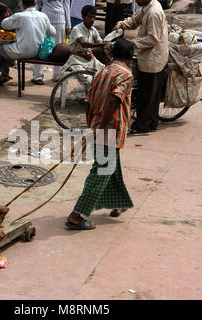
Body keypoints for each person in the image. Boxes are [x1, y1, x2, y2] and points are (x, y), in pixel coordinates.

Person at [65, 39, 135, 230]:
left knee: (111, 167)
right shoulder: (126, 75)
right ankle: (77, 215)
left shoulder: (102, 71)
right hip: (110, 130)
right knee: (102, 171)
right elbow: (115, 99)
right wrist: (102, 126)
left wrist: (92, 124)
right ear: (129, 57)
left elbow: (88, 98)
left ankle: (118, 203)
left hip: (98, 126)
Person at [113, 0, 168, 134]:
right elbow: (135, 19)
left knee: (147, 96)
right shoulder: (146, 6)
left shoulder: (153, 12)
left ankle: (142, 126)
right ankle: (152, 123)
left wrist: (132, 43)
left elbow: (153, 38)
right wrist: (121, 25)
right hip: (152, 55)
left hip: (153, 59)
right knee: (152, 95)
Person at [0, 0, 56, 88]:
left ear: (23, 4)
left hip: (22, 52)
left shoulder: (20, 16)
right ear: (35, 4)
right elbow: (53, 32)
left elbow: (4, 24)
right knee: (4, 49)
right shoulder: (43, 16)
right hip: (38, 52)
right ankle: (4, 74)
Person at [60, 5, 106, 84]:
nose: (92, 20)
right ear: (83, 17)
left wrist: (106, 46)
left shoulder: (93, 30)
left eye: (94, 17)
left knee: (105, 74)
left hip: (90, 59)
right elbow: (84, 44)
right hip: (76, 61)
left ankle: (93, 95)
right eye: (90, 17)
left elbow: (100, 42)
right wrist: (101, 45)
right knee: (88, 80)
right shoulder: (76, 29)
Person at [31, 0, 71, 85]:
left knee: (60, 49)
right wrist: (34, 18)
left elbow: (66, 7)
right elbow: (38, 4)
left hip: (60, 21)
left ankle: (57, 75)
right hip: (44, 19)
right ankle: (37, 76)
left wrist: (68, 26)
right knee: (41, 48)